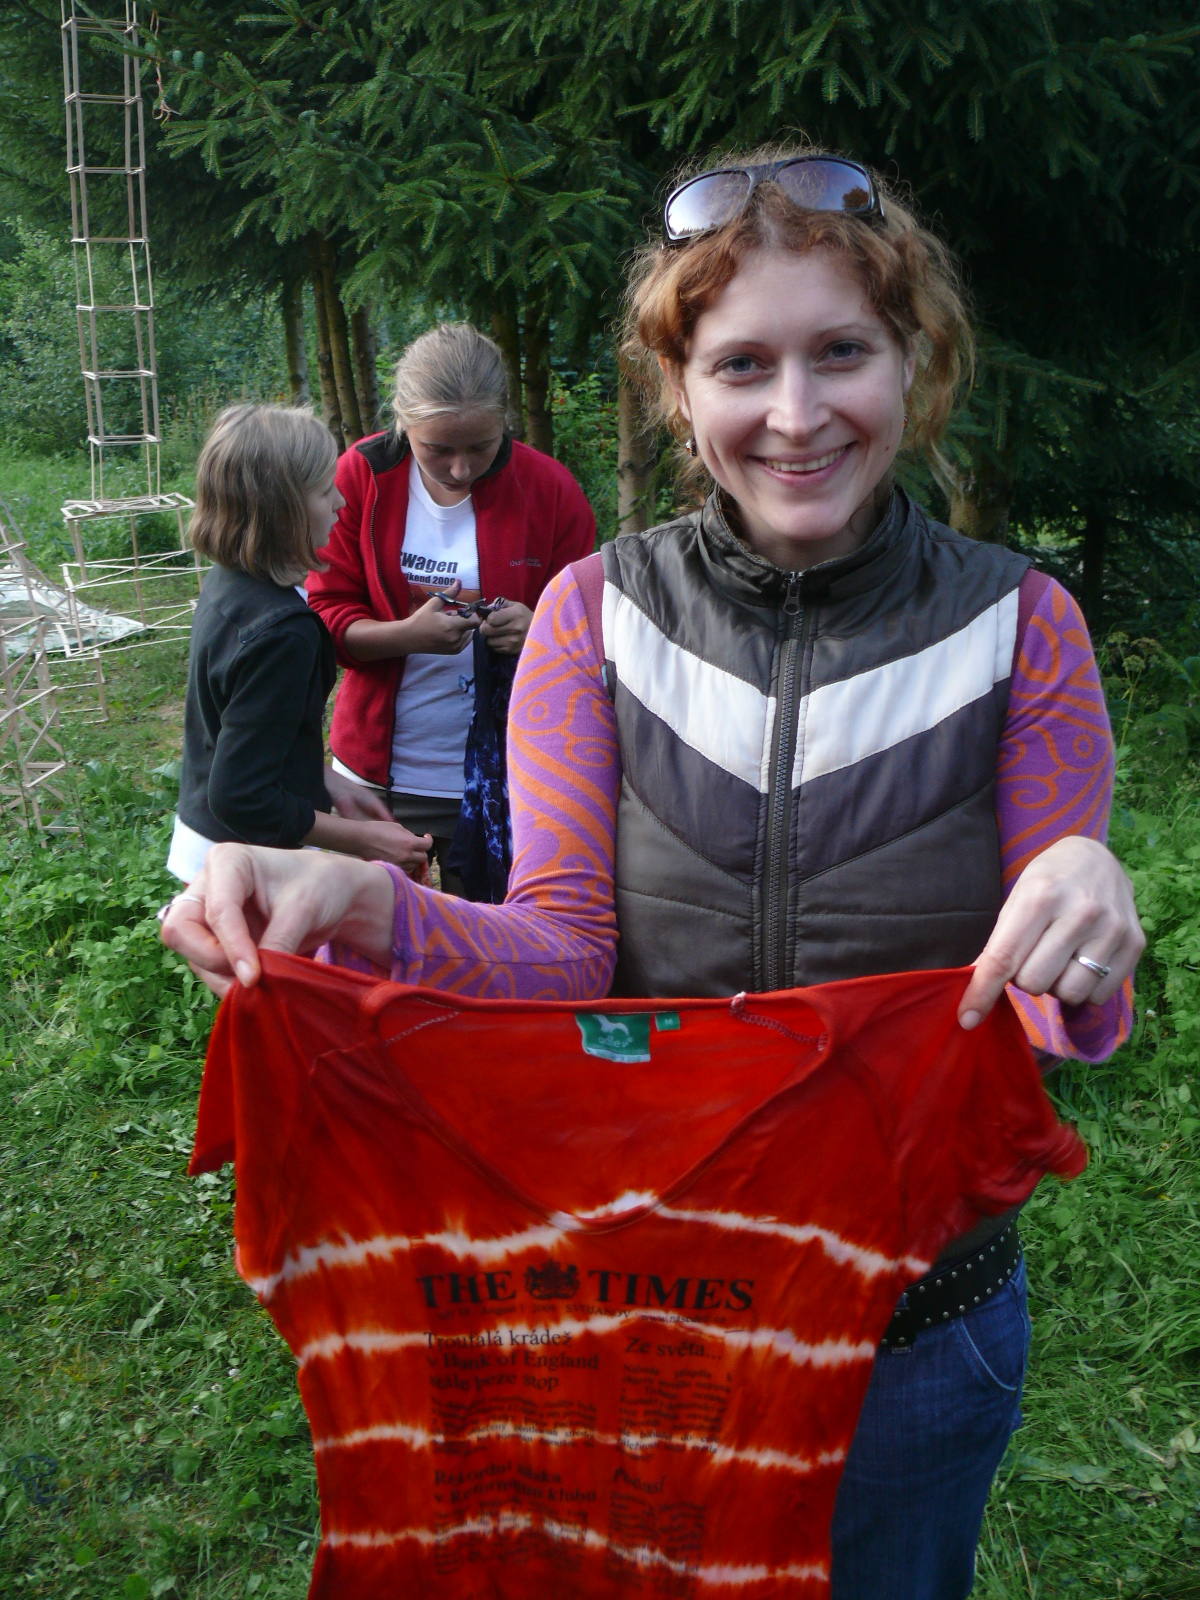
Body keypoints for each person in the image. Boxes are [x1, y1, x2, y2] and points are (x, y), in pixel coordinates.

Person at [164, 147, 1145, 1598]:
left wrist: (1088, 921)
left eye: (842, 353)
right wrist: (372, 902)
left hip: (918, 1333)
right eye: (742, 364)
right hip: (652, 1305)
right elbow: (563, 953)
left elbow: (1044, 1022)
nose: (796, 414)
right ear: (678, 390)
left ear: (914, 361)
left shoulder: (1023, 627)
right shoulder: (593, 617)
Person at [306, 321, 596, 895]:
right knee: (378, 932)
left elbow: (591, 628)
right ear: (403, 423)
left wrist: (540, 630)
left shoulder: (550, 490)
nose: (461, 469)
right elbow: (324, 621)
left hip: (510, 771)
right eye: (438, 449)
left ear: (504, 421)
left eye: (481, 447)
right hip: (377, 777)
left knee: (490, 933)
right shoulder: (360, 477)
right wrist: (406, 636)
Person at [166, 404, 431, 885]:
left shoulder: (231, 584)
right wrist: (362, 840)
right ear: (282, 510)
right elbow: (240, 798)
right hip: (249, 869)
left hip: (203, 843)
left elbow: (245, 736)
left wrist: (328, 782)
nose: (341, 503)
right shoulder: (283, 634)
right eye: (326, 490)